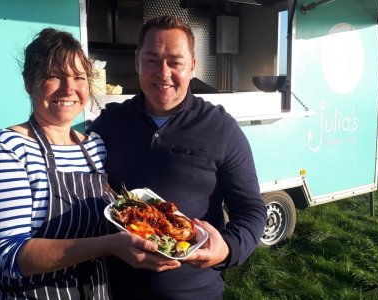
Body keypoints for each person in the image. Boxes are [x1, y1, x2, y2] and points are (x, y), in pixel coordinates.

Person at [0, 28, 176, 299]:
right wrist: (109, 246)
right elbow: (12, 256)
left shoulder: (94, 146)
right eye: (54, 76)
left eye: (79, 77)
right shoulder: (6, 149)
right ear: (29, 82)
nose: (69, 89)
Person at [88, 15, 267, 299]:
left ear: (193, 66)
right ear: (137, 62)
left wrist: (228, 248)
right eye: (152, 60)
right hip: (115, 290)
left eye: (175, 62)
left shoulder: (221, 128)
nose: (163, 72)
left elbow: (251, 208)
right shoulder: (109, 123)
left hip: (194, 291)